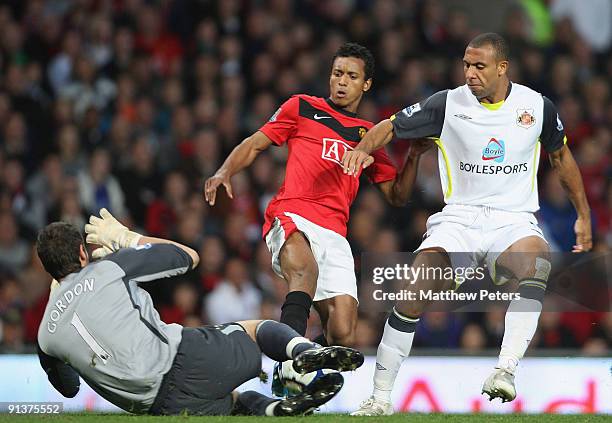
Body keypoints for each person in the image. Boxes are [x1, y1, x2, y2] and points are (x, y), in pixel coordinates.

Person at [342, 33, 592, 414]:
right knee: (413, 287)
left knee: (538, 260)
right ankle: (379, 396)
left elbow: (561, 159)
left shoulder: (537, 107)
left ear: (502, 68)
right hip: (459, 218)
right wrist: (361, 150)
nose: (470, 74)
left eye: (479, 66)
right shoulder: (446, 104)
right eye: (466, 65)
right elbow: (389, 126)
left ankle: (505, 371)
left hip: (512, 221)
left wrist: (584, 215)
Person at [204, 42, 430, 351]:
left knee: (343, 334)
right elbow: (255, 142)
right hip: (292, 214)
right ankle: (287, 357)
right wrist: (224, 171)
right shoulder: (302, 107)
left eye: (351, 76)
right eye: (337, 73)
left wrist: (414, 156)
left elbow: (397, 195)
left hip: (335, 232)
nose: (342, 81)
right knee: (304, 271)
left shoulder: (369, 135)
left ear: (366, 84)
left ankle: (302, 360)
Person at [36, 209, 364, 416]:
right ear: (82, 251)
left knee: (235, 403)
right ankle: (306, 351)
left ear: (49, 269)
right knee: (255, 328)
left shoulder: (44, 336)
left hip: (157, 406)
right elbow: (189, 256)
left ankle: (279, 410)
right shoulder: (107, 269)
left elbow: (70, 388)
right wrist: (127, 238)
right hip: (182, 357)